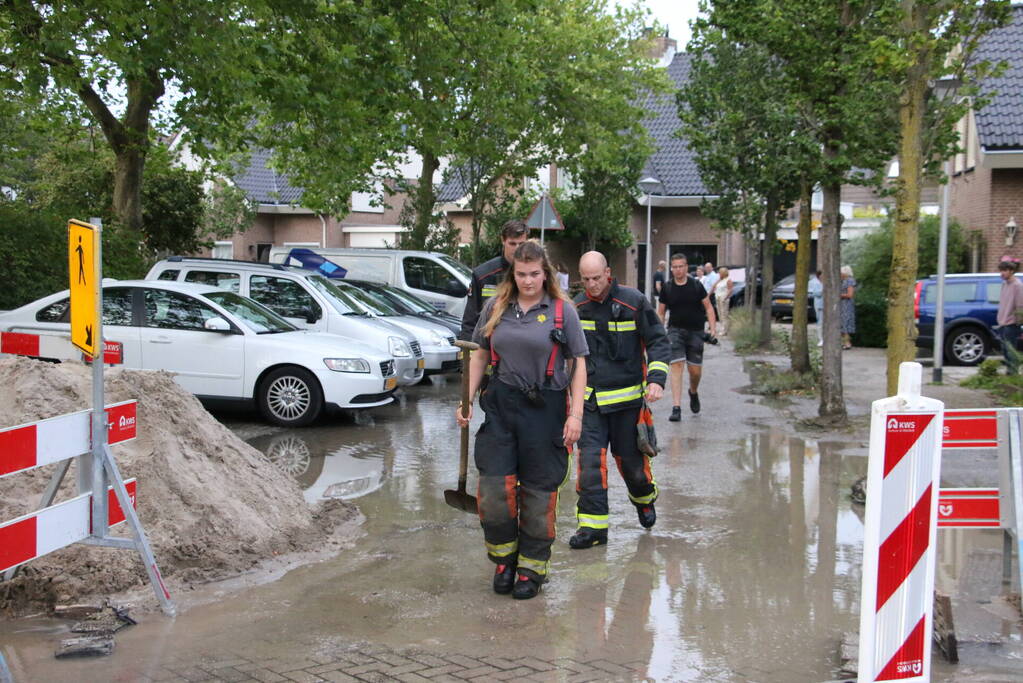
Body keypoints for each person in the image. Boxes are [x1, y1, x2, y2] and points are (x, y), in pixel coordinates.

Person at [456, 240, 588, 600]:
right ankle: (504, 559)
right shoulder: (496, 307)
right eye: (521, 274)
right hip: (501, 405)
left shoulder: (563, 311)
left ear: (545, 273)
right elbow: (480, 355)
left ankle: (532, 567)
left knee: (538, 493)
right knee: (494, 491)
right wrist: (466, 401)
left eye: (534, 274)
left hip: (546, 410)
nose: (528, 281)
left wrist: (575, 414)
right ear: (511, 275)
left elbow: (578, 365)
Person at [569, 251, 670, 549]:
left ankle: (645, 499)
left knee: (634, 470)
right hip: (590, 404)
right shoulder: (576, 307)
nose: (592, 285)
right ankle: (592, 527)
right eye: (586, 279)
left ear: (609, 273)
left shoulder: (633, 301)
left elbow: (658, 341)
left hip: (627, 404)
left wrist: (656, 379)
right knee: (589, 464)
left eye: (597, 278)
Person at [658, 253, 717, 422]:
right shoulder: (667, 288)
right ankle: (676, 407)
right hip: (675, 331)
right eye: (675, 267)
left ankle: (693, 391)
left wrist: (712, 330)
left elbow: (709, 307)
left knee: (695, 371)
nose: (678, 270)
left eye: (681, 266)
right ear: (671, 268)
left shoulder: (696, 286)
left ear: (686, 267)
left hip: (696, 331)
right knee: (676, 366)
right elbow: (661, 312)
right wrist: (659, 333)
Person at [458, 219, 529, 341]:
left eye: (521, 244)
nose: (517, 249)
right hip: (488, 347)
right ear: (503, 240)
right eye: (512, 244)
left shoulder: (535, 275)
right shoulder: (483, 275)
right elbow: (470, 320)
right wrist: (468, 354)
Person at [996, 256, 1023, 374]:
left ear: (1011, 271)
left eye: (1004, 270)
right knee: (1004, 350)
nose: (1002, 273)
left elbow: (1020, 304)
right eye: (1001, 270)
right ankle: (1009, 372)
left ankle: (1013, 373)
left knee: (1011, 350)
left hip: (1011, 323)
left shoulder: (1017, 285)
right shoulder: (1005, 284)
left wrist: (1018, 321)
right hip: (1002, 322)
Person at [839, 265, 857, 350]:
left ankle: (847, 343)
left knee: (845, 324)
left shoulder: (850, 281)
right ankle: (844, 342)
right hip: (842, 305)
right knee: (842, 324)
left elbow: (850, 294)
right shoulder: (842, 281)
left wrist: (839, 295)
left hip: (846, 305)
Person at [712, 267, 733, 336]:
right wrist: (719, 279)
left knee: (724, 314)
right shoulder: (720, 280)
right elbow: (714, 286)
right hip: (718, 297)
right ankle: (722, 328)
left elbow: (730, 290)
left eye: (720, 272)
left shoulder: (728, 280)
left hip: (723, 298)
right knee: (720, 314)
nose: (719, 274)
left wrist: (725, 298)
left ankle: (725, 330)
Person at [809, 270, 824, 347]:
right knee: (820, 322)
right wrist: (824, 289)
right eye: (822, 275)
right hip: (819, 305)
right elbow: (816, 293)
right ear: (819, 276)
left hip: (827, 306)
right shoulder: (816, 283)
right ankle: (821, 339)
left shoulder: (826, 283)